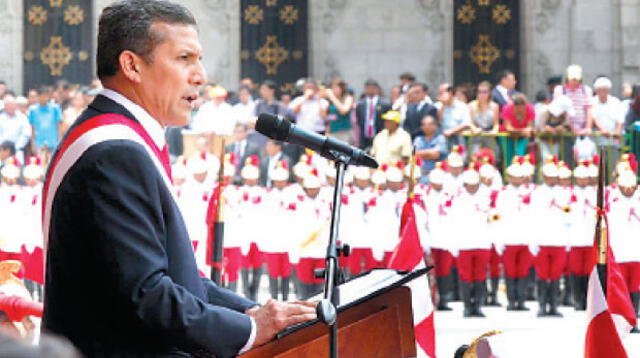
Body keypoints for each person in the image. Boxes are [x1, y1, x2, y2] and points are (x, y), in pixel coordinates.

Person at [41, 2, 316, 357]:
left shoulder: (123, 137)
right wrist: (252, 329)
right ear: (132, 65)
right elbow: (148, 293)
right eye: (184, 58)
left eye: (198, 59)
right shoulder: (113, 151)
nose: (200, 75)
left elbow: (178, 277)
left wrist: (253, 313)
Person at [590, 76, 625, 173]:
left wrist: (617, 132)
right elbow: (592, 117)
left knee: (613, 168)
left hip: (612, 141)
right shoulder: (592, 102)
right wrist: (602, 130)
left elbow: (620, 119)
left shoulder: (615, 102)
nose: (602, 92)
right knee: (598, 168)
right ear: (596, 90)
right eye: (600, 90)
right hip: (597, 141)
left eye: (605, 90)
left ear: (609, 90)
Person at [355, 79, 391, 149]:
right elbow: (359, 121)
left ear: (377, 89)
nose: (369, 90)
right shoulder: (360, 105)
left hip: (380, 136)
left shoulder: (385, 105)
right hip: (364, 138)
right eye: (367, 88)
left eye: (372, 88)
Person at [501, 94, 535, 165]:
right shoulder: (507, 108)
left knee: (520, 155)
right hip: (507, 136)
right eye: (518, 108)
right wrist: (523, 131)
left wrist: (527, 130)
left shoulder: (530, 109)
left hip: (522, 137)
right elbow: (508, 127)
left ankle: (520, 174)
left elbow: (530, 126)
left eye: (522, 108)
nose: (520, 110)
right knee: (509, 157)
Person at [28, 87, 62, 154]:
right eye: (41, 96)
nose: (43, 98)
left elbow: (59, 126)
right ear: (38, 97)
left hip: (53, 142)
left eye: (45, 96)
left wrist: (60, 142)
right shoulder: (33, 110)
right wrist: (32, 144)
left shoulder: (55, 108)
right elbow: (32, 128)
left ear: (48, 97)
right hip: (39, 143)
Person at [468, 81, 500, 154]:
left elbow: (496, 124)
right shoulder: (471, 105)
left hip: (489, 135)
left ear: (489, 93)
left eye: (484, 92)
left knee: (491, 157)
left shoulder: (495, 106)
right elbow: (469, 122)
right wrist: (474, 129)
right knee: (475, 158)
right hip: (476, 136)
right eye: (479, 92)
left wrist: (495, 130)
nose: (482, 94)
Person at [413, 115, 447, 183]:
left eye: (429, 124)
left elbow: (435, 155)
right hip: (420, 176)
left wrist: (421, 154)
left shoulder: (440, 138)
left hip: (436, 176)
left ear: (435, 126)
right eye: (423, 124)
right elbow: (414, 154)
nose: (426, 126)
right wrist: (429, 153)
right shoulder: (418, 139)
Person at [437, 84, 471, 148]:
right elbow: (437, 122)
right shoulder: (437, 106)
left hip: (458, 139)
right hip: (441, 141)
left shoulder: (462, 106)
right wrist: (443, 105)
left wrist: (451, 131)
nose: (440, 95)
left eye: (442, 93)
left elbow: (466, 123)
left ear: (450, 93)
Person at [0, 95, 31, 163]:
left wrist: (15, 147)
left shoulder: (22, 118)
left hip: (17, 150)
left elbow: (26, 134)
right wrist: (4, 148)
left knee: (18, 170)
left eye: (12, 105)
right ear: (5, 106)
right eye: (8, 105)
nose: (11, 107)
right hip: (2, 150)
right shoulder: (1, 118)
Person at [322, 78, 354, 143]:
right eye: (332, 88)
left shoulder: (348, 98)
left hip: (344, 133)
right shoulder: (330, 101)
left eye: (336, 88)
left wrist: (332, 97)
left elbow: (343, 111)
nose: (334, 90)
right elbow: (324, 116)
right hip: (332, 133)